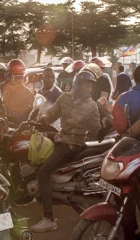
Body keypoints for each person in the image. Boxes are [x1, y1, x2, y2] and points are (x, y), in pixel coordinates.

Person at [31, 67, 101, 232]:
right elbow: (51, 113)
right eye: (86, 85)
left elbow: (95, 129)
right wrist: (42, 118)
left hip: (72, 145)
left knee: (43, 173)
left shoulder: (92, 105)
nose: (89, 88)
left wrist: (101, 127)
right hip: (64, 140)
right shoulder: (65, 98)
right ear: (78, 84)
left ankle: (49, 219)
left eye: (91, 86)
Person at [0, 59, 35, 124]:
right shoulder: (4, 86)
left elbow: (30, 116)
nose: (19, 78)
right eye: (15, 74)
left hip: (19, 127)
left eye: (20, 75)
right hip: (5, 122)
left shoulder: (28, 94)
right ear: (9, 74)